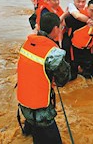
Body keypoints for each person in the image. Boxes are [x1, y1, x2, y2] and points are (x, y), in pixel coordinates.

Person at [17, 12, 71, 144]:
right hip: (40, 109)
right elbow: (63, 80)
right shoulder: (53, 54)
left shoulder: (27, 44)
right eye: (60, 27)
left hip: (23, 103)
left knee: (32, 133)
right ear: (55, 29)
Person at [70, 0, 93, 79]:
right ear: (87, 8)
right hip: (75, 50)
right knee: (73, 76)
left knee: (89, 75)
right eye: (91, 10)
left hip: (88, 50)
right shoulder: (76, 18)